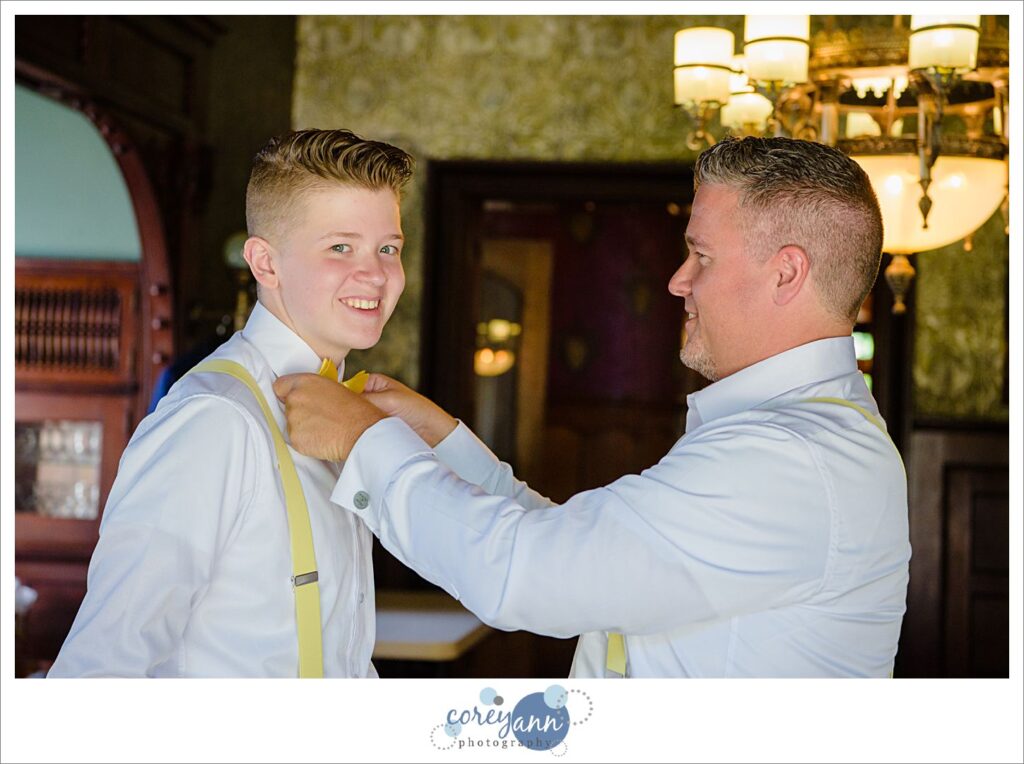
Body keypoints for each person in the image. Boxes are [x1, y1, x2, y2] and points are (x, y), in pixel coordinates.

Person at [274, 136, 911, 678]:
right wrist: (441, 442)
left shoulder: (786, 460)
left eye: (702, 256)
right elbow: (589, 557)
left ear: (786, 274)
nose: (677, 280)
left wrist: (364, 443)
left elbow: (532, 574)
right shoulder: (798, 438)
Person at [48, 129, 413, 677]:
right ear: (264, 264)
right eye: (340, 247)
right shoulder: (215, 420)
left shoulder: (347, 408)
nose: (377, 274)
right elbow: (101, 668)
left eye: (388, 248)